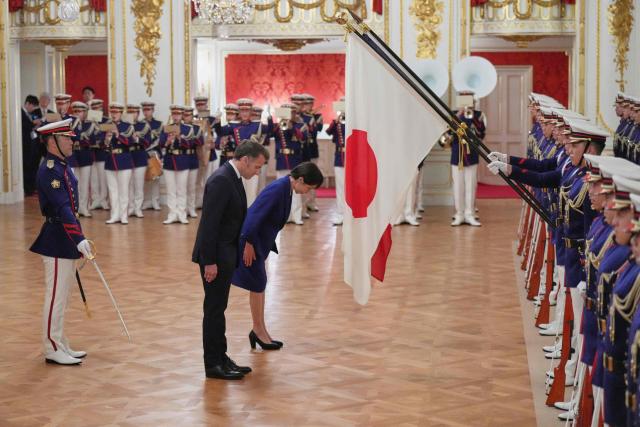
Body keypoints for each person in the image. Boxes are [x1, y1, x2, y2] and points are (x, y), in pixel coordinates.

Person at [192, 140, 269, 380]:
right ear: (245, 160)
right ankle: (212, 364)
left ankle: (221, 357)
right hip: (215, 258)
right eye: (257, 167)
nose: (257, 172)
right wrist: (210, 262)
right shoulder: (221, 180)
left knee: (219, 309)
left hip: (225, 255)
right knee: (214, 310)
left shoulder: (233, 178)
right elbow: (208, 226)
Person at [232, 162, 323, 350]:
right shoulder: (278, 189)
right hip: (251, 243)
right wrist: (248, 243)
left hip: (258, 243)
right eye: (308, 187)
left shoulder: (286, 188)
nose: (307, 191)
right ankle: (258, 331)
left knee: (259, 285)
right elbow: (254, 215)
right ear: (300, 179)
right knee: (257, 285)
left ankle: (260, 330)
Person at [29, 118, 94, 365]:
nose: (71, 141)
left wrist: (78, 236)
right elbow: (63, 207)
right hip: (57, 238)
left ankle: (59, 341)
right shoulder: (49, 170)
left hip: (64, 236)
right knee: (55, 295)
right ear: (52, 141)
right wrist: (78, 238)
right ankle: (51, 347)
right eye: (66, 138)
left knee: (63, 295)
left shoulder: (61, 165)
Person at [450, 91, 486, 227]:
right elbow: (449, 134)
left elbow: (481, 134)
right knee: (458, 185)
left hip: (472, 155)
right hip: (457, 155)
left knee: (471, 185)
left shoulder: (478, 115)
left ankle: (469, 214)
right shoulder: (454, 115)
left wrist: (473, 118)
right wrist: (458, 116)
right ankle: (459, 214)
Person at [104, 102, 135, 224]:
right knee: (113, 191)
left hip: (124, 161)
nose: (114, 114)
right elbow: (103, 146)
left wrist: (117, 134)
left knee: (123, 190)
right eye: (112, 112)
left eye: (116, 112)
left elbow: (130, 142)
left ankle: (123, 216)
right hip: (110, 161)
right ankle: (114, 215)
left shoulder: (128, 126)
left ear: (121, 113)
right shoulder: (106, 126)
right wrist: (106, 139)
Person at [69, 101, 94, 217]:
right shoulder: (71, 123)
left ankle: (84, 207)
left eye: (80, 111)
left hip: (85, 154)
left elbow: (92, 140)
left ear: (85, 112)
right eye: (75, 111)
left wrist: (81, 139)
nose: (77, 114)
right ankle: (76, 207)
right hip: (74, 155)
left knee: (84, 183)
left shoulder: (90, 124)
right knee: (75, 183)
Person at [126, 104, 150, 218]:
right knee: (129, 185)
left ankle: (138, 208)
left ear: (138, 113)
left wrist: (137, 138)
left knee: (139, 185)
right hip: (128, 156)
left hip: (140, 156)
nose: (132, 115)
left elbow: (147, 142)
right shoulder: (124, 125)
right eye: (130, 112)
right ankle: (130, 208)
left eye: (134, 112)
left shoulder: (143, 126)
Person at [140, 101, 163, 211]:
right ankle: (147, 201)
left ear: (153, 110)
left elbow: (161, 140)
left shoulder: (158, 124)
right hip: (143, 154)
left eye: (148, 110)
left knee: (155, 178)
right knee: (145, 179)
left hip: (154, 153)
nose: (146, 112)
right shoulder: (140, 124)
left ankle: (155, 201)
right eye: (144, 110)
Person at [326, 100, 346, 225]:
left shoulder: (356, 120)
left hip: (353, 157)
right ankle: (340, 214)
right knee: (340, 187)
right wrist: (337, 120)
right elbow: (328, 132)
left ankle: (351, 214)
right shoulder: (337, 123)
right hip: (340, 157)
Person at [88, 99, 110, 211]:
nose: (96, 110)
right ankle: (95, 199)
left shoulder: (106, 121)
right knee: (93, 178)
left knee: (103, 178)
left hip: (102, 153)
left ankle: (103, 200)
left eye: (98, 108)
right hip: (91, 153)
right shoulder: (88, 122)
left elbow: (107, 137)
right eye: (93, 109)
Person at [22, 94, 40, 195]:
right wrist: (34, 123)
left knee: (32, 167)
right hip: (25, 146)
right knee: (26, 168)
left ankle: (31, 188)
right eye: (33, 106)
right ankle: (27, 189)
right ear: (28, 104)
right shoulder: (20, 113)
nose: (33, 109)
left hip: (32, 145)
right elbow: (25, 127)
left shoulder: (29, 114)